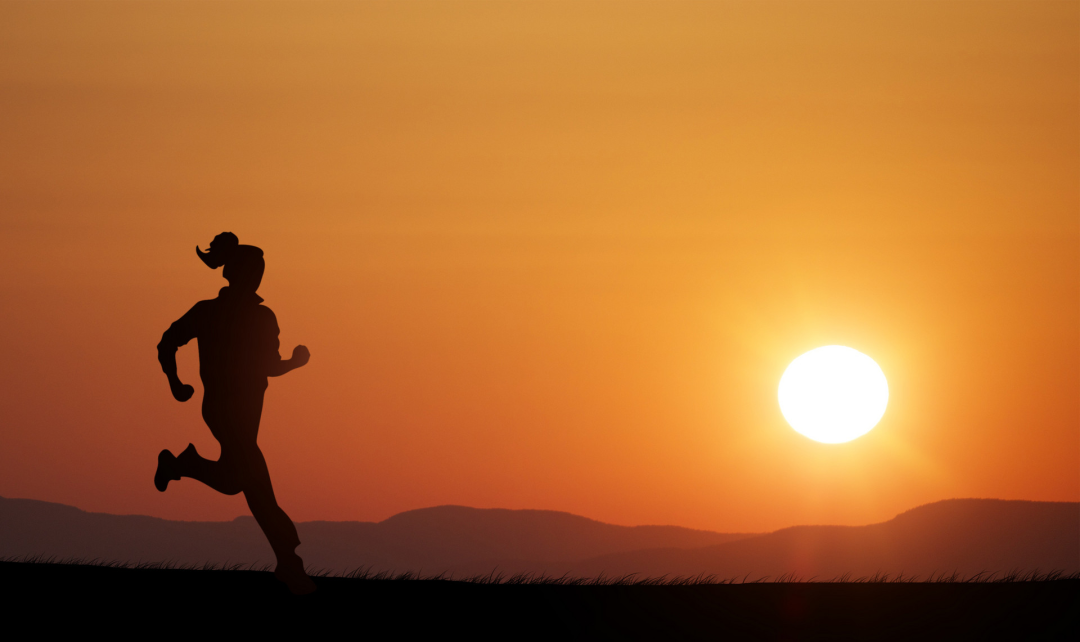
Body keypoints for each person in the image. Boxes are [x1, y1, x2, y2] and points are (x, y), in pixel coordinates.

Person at [153, 232, 316, 595]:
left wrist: (292, 363)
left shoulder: (261, 317)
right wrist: (175, 383)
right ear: (235, 274)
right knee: (257, 484)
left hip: (247, 410)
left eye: (259, 272)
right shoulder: (209, 312)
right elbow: (167, 342)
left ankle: (182, 465)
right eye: (253, 272)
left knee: (234, 480)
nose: (256, 278)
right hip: (222, 410)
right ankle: (290, 565)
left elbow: (270, 366)